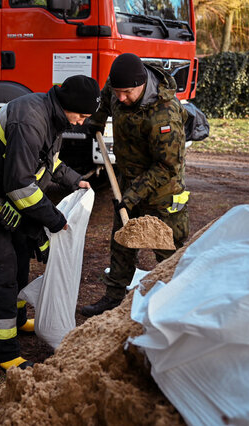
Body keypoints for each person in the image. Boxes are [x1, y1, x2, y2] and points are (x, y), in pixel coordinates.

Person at [0, 74, 100, 370]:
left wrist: (75, 181)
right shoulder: (30, 120)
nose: (80, 122)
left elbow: (47, 162)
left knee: (21, 258)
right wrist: (54, 220)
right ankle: (0, 350)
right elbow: (20, 185)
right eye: (81, 115)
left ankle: (18, 319)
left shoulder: (52, 115)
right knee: (2, 271)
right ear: (69, 105)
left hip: (5, 190)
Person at [81, 53, 189, 317]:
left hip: (162, 193)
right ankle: (114, 296)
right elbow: (108, 93)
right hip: (128, 182)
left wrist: (130, 195)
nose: (121, 98)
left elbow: (167, 166)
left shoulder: (164, 116)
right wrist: (97, 117)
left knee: (168, 252)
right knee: (122, 242)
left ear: (141, 85)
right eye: (118, 91)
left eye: (127, 93)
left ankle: (178, 304)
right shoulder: (119, 87)